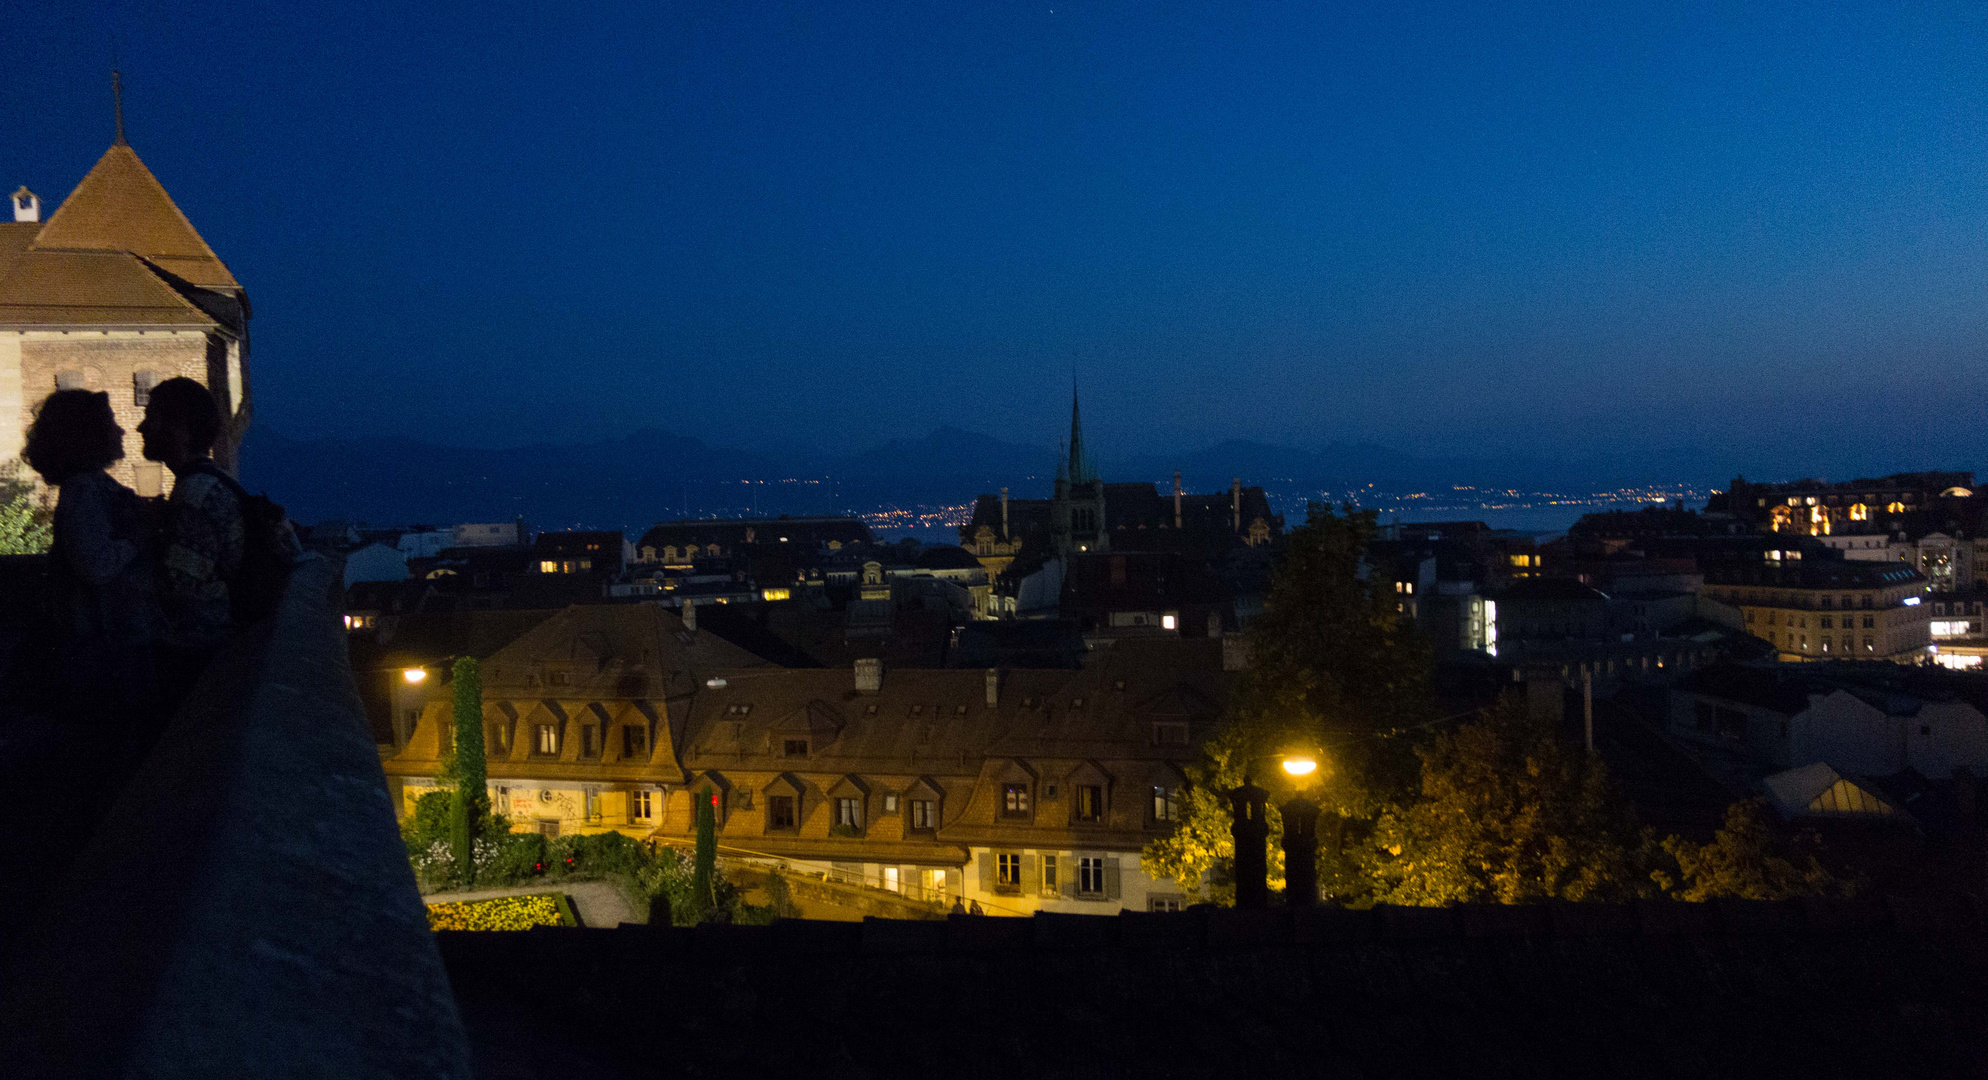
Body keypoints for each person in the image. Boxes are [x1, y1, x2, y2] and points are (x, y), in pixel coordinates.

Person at [21, 390, 161, 742]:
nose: (122, 430)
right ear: (89, 433)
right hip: (102, 650)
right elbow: (95, 564)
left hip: (103, 646)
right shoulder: (84, 491)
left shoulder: (87, 488)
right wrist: (139, 535)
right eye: (112, 422)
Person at [139, 378, 242, 658]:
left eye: (152, 418)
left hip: (200, 654)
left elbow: (181, 590)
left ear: (179, 430)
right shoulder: (212, 482)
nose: (141, 427)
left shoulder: (194, 495)